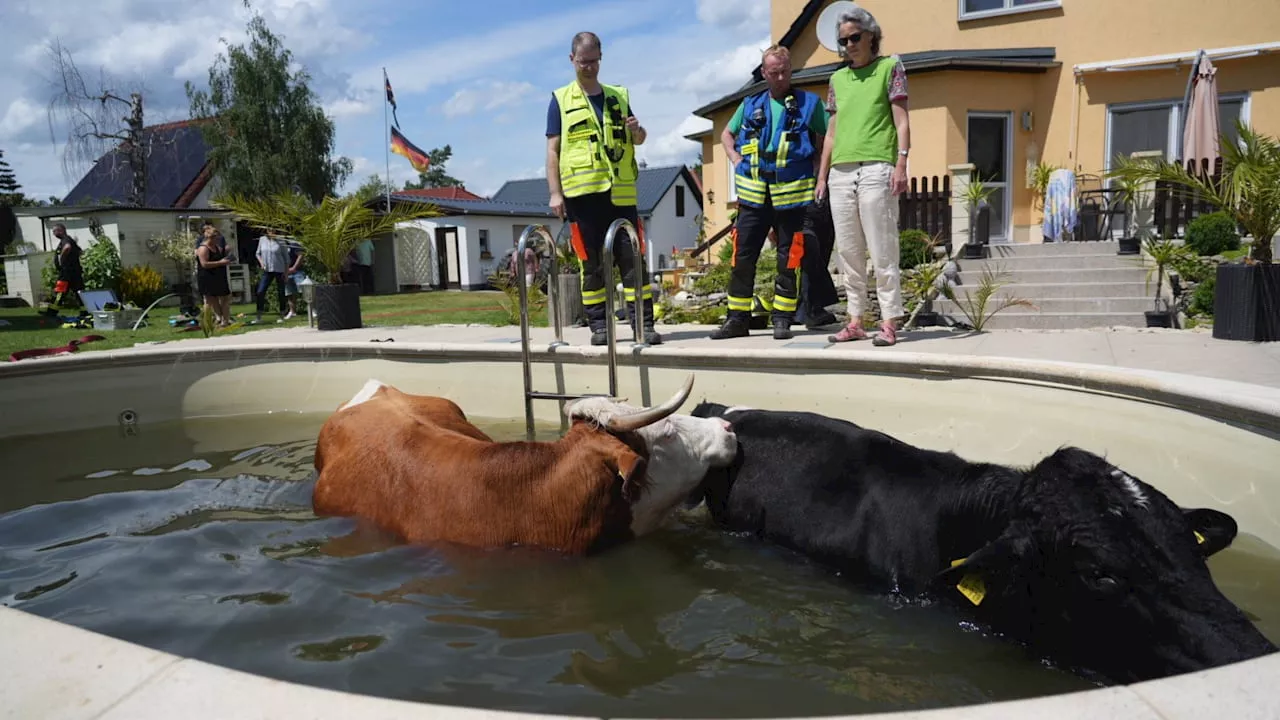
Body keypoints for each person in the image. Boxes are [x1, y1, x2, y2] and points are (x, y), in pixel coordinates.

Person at [546, 31, 661, 346]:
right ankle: (599, 327)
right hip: (582, 198)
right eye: (583, 62)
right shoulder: (560, 100)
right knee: (592, 265)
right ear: (572, 60)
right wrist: (555, 193)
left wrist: (639, 132)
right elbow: (553, 151)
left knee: (633, 262)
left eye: (594, 61)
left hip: (621, 195)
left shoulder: (618, 96)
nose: (589, 68)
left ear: (601, 58)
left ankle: (643, 326)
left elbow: (638, 139)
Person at [710, 45, 827, 341]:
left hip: (791, 196)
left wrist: (819, 168)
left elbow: (829, 135)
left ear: (791, 70)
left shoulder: (809, 104)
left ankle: (782, 319)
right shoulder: (750, 104)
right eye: (773, 72)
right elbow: (726, 135)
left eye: (784, 71)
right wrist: (735, 160)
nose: (779, 77)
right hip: (754, 195)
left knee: (789, 258)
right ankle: (737, 319)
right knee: (742, 256)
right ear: (764, 72)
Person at [817, 4, 911, 347]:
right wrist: (822, 177)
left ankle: (889, 321)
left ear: (871, 36)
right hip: (841, 171)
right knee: (849, 253)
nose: (849, 45)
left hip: (877, 167)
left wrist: (901, 163)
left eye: (855, 37)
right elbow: (830, 131)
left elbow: (901, 119)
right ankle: (855, 320)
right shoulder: (836, 79)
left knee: (882, 248)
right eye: (843, 41)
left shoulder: (891, 67)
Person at [196, 225, 233, 326]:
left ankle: (224, 321)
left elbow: (222, 256)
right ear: (210, 238)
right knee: (210, 300)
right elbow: (204, 264)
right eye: (216, 238)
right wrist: (221, 263)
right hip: (207, 277)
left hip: (219, 276)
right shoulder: (203, 248)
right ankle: (208, 322)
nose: (218, 240)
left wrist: (228, 257)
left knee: (225, 297)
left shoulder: (217, 247)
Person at [254, 231, 289, 323]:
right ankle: (259, 316)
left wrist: (286, 273)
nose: (271, 232)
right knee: (260, 291)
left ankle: (282, 315)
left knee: (281, 292)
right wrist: (261, 262)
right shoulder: (262, 240)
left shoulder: (281, 240)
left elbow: (286, 258)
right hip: (267, 270)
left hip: (279, 269)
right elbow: (257, 253)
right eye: (269, 230)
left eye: (273, 230)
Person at [50, 224, 84, 308]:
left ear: (61, 230)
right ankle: (85, 311)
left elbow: (67, 248)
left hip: (66, 272)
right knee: (79, 292)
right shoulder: (70, 240)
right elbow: (80, 252)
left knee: (60, 291)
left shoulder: (66, 240)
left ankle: (53, 311)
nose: (54, 234)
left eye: (55, 231)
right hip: (74, 272)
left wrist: (61, 258)